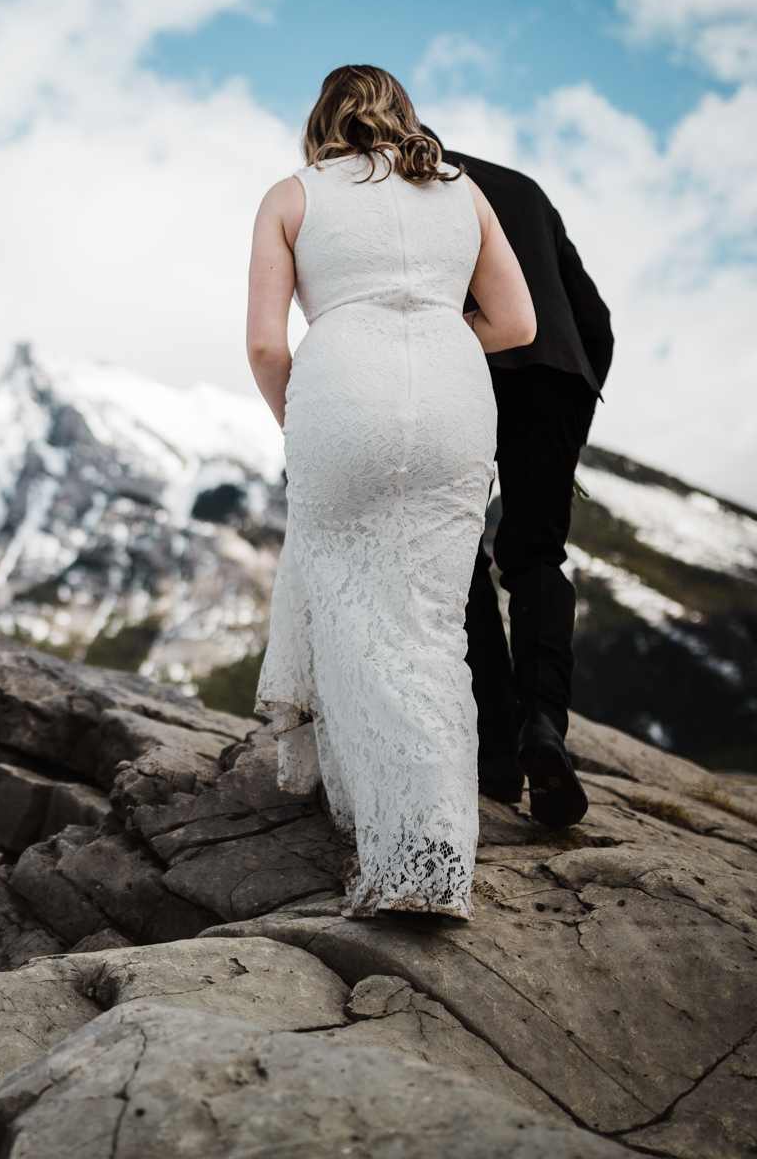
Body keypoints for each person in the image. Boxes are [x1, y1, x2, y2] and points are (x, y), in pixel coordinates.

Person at [246, 65, 535, 920]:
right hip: (452, 401)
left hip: (341, 395)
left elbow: (268, 345)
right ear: (403, 115)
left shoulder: (291, 196)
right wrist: (433, 334)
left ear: (320, 119)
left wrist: (297, 415)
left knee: (349, 612)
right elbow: (517, 324)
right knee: (433, 629)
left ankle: (390, 844)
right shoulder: (463, 194)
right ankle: (434, 855)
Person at [425, 126, 614, 830]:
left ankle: (496, 750)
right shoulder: (526, 190)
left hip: (472, 371)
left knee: (457, 552)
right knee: (537, 555)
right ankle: (544, 728)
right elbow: (596, 320)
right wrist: (574, 411)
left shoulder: (421, 189)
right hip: (562, 374)